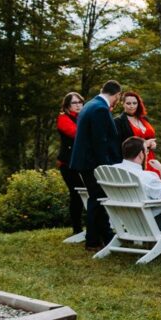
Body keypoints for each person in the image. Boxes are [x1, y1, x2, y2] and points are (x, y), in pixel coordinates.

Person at [70, 80, 124, 250]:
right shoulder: (100, 109)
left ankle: (105, 236)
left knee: (98, 199)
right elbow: (100, 141)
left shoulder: (90, 105)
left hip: (85, 161)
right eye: (118, 98)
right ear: (117, 94)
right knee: (97, 200)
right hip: (93, 163)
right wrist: (105, 167)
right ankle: (92, 241)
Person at [111, 136, 161, 228]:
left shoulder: (112, 171)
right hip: (151, 224)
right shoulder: (147, 177)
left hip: (124, 222)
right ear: (141, 154)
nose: (147, 153)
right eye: (146, 151)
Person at [56, 92, 86, 235]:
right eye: (75, 103)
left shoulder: (82, 118)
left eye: (80, 102)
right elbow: (76, 134)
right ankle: (77, 229)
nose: (78, 105)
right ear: (67, 106)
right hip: (68, 164)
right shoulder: (63, 118)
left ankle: (90, 227)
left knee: (87, 193)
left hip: (83, 163)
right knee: (76, 194)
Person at [114, 91, 158, 172]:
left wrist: (153, 143)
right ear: (122, 103)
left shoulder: (144, 119)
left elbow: (151, 137)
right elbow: (120, 145)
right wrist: (144, 144)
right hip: (134, 160)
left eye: (135, 103)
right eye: (128, 103)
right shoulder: (118, 121)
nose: (132, 106)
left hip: (150, 157)